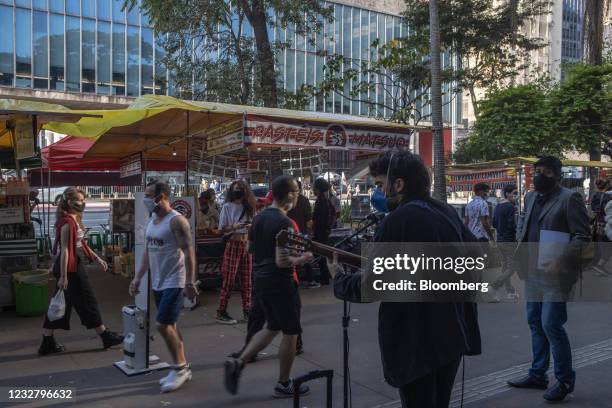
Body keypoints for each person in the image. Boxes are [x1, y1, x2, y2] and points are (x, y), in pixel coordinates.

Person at [330, 151, 481, 408]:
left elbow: (371, 287)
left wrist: (339, 279)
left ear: (398, 184)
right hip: (451, 333)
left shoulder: (397, 221)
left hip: (416, 341)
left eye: (379, 185)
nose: (377, 192)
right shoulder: (445, 212)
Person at [508, 156, 591, 402]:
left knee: (551, 325)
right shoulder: (531, 197)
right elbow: (523, 224)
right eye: (536, 171)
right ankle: (538, 374)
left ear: (556, 174)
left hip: (556, 275)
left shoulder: (569, 198)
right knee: (534, 322)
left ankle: (564, 380)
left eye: (544, 172)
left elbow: (582, 236)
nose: (539, 176)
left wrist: (561, 258)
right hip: (532, 271)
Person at [224, 175, 313, 398]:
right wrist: (303, 259)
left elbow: (251, 250)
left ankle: (240, 361)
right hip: (281, 282)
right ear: (290, 195)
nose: (298, 197)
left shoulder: (259, 219)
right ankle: (284, 384)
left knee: (272, 326)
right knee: (291, 333)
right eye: (297, 193)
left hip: (261, 279)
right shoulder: (285, 223)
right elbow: (282, 261)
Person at [129, 180, 198, 393]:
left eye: (150, 195)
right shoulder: (152, 222)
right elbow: (148, 253)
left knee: (162, 325)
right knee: (172, 325)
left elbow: (189, 253)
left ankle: (178, 367)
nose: (146, 199)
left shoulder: (177, 221)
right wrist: (138, 278)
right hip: (158, 281)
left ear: (162, 197)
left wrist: (189, 282)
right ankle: (184, 366)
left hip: (174, 281)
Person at [39, 187, 123, 356]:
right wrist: (63, 276)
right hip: (70, 269)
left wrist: (97, 258)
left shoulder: (72, 219)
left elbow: (80, 244)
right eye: (79, 200)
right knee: (87, 301)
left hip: (70, 267)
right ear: (69, 202)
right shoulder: (68, 223)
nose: (82, 203)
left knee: (61, 304)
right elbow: (65, 250)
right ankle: (105, 335)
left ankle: (47, 342)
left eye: (83, 200)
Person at [216, 180, 256, 324]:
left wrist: (250, 226)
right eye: (235, 188)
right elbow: (221, 229)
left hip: (246, 244)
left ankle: (247, 310)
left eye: (240, 188)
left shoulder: (249, 207)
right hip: (233, 243)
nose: (237, 191)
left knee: (247, 280)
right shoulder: (226, 207)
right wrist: (234, 226)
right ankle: (221, 311)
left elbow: (254, 226)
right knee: (229, 280)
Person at [491, 184, 519, 300]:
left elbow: (494, 224)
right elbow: (514, 225)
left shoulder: (497, 207)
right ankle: (494, 286)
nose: (516, 196)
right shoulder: (511, 207)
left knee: (505, 266)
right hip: (509, 241)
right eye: (515, 193)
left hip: (500, 240)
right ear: (507, 194)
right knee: (512, 267)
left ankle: (510, 291)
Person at [309, 178, 335, 287]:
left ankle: (325, 278)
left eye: (314, 187)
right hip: (324, 231)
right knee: (322, 255)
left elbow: (319, 219)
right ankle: (326, 276)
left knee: (320, 255)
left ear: (318, 189)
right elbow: (333, 213)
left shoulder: (321, 201)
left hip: (320, 232)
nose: (312, 189)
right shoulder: (325, 199)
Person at [590, 178, 611, 275]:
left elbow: (593, 209)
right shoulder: (609, 196)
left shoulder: (595, 196)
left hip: (598, 223)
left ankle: (599, 265)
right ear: (607, 186)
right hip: (607, 223)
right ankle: (600, 265)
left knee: (602, 244)